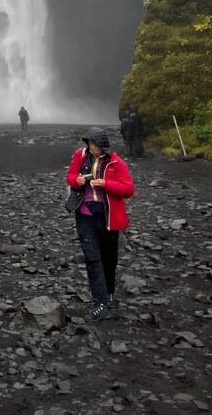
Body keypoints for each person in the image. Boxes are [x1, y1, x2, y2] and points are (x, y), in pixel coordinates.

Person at [65, 126, 134, 322]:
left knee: (109, 259)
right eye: (89, 144)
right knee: (93, 259)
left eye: (95, 145)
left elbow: (129, 189)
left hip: (108, 217)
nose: (91, 148)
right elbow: (70, 177)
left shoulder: (116, 162)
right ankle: (100, 302)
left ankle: (109, 293)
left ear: (103, 146)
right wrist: (77, 181)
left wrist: (106, 184)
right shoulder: (80, 156)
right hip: (85, 215)